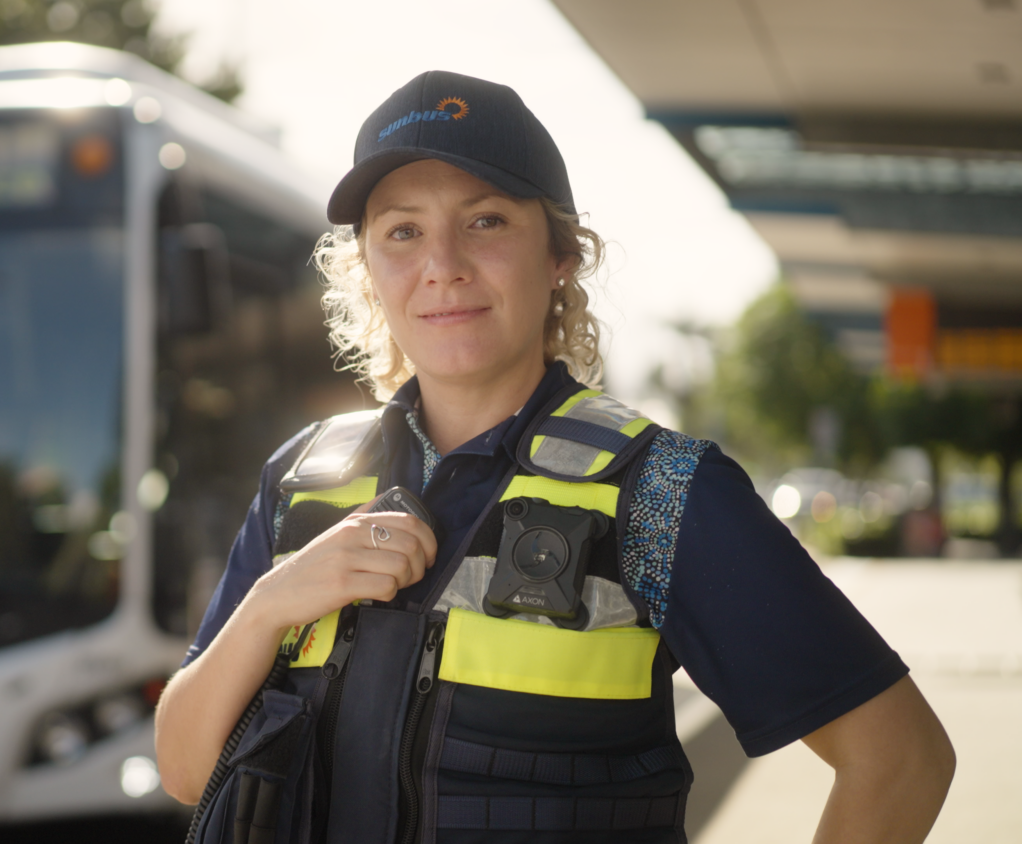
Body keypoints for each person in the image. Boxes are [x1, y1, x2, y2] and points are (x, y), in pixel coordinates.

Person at [155, 71, 954, 844]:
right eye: (403, 231)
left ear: (561, 255)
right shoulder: (302, 480)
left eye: (487, 221)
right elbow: (189, 770)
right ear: (368, 268)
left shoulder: (660, 490)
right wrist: (270, 603)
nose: (443, 265)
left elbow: (901, 760)